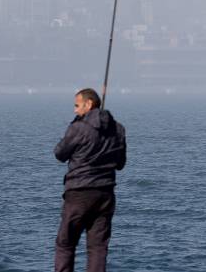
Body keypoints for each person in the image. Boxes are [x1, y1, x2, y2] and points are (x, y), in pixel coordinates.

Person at [54, 88, 127, 272]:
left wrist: (76, 123)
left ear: (89, 104)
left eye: (77, 105)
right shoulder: (118, 129)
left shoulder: (79, 128)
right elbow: (120, 163)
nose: (74, 110)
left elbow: (60, 153)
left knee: (66, 243)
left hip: (79, 192)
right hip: (105, 195)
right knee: (98, 247)